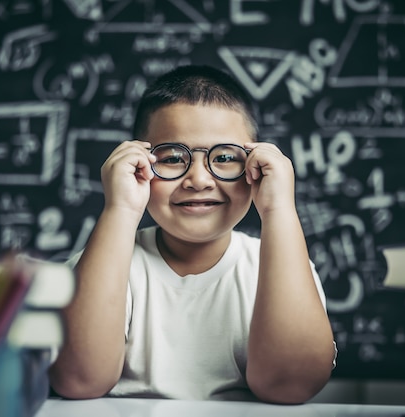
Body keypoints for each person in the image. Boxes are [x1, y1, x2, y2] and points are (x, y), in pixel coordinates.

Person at [48, 65, 337, 404]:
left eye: (226, 157)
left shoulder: (283, 266)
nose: (199, 180)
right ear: (139, 164)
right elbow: (78, 380)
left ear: (255, 167)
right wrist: (121, 210)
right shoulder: (95, 264)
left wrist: (279, 210)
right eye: (172, 158)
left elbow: (291, 385)